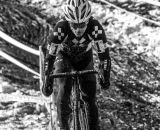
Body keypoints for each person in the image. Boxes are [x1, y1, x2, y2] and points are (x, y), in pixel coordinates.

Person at [42, 0, 111, 129]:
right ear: (68, 21)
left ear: (88, 20)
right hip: (64, 57)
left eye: (82, 24)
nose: (78, 29)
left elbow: (104, 56)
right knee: (63, 91)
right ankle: (64, 127)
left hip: (85, 57)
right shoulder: (61, 28)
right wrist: (47, 80)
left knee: (90, 98)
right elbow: (50, 57)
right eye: (74, 25)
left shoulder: (95, 27)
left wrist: (105, 76)